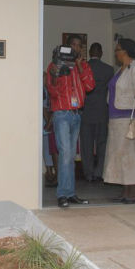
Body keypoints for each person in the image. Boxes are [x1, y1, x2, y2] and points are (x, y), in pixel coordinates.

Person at [46, 34, 95, 208]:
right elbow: (51, 92)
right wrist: (53, 75)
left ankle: (70, 193)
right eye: (73, 44)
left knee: (71, 155)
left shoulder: (84, 66)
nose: (76, 48)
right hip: (62, 113)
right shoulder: (55, 65)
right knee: (65, 153)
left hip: (76, 115)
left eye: (79, 45)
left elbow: (90, 86)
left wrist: (81, 67)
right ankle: (62, 194)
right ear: (66, 46)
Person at [103, 37, 135, 203]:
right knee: (119, 156)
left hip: (128, 118)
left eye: (118, 49)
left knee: (130, 155)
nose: (115, 52)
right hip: (115, 118)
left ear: (126, 51)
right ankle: (125, 189)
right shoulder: (120, 69)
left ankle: (133, 189)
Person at [79, 43, 114, 182]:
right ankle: (99, 172)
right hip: (101, 110)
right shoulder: (109, 70)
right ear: (101, 53)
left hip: (86, 110)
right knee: (102, 143)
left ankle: (88, 173)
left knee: (86, 145)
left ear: (89, 52)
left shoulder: (83, 68)